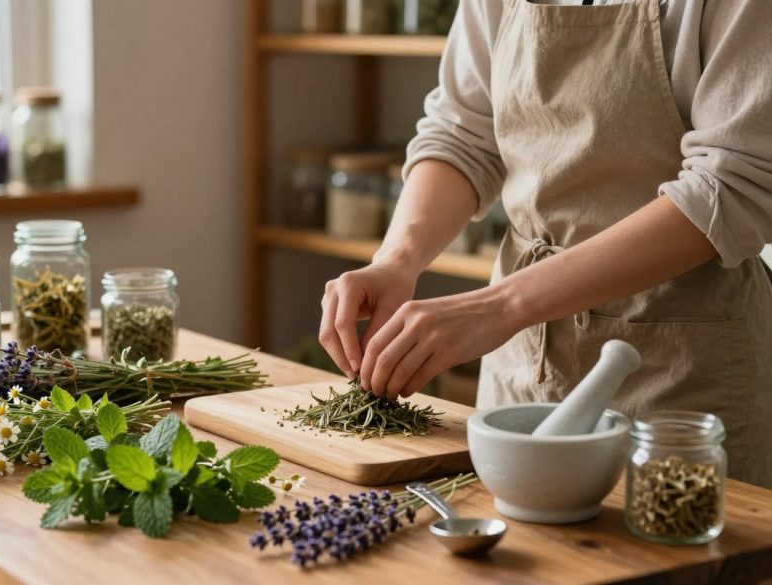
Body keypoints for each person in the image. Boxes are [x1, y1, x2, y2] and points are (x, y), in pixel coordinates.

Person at [319, 0, 772, 486]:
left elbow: (731, 185)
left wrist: (498, 307)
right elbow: (463, 134)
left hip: (680, 373)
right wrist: (395, 262)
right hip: (519, 364)